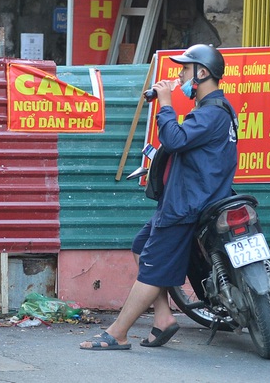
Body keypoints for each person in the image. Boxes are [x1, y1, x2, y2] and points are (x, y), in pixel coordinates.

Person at [80, 44, 238, 350]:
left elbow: (174, 139)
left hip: (187, 205)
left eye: (184, 70)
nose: (179, 76)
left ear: (201, 73)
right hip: (183, 200)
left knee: (152, 267)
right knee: (142, 247)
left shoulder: (212, 113)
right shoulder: (215, 111)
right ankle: (163, 318)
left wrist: (165, 103)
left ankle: (117, 333)